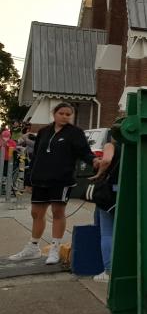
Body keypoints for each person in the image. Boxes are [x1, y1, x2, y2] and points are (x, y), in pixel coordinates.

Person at [9, 103, 98, 264]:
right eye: (61, 113)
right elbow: (35, 157)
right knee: (36, 213)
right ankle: (33, 247)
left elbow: (85, 153)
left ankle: (55, 248)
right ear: (54, 113)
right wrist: (29, 179)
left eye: (68, 114)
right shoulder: (44, 132)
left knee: (58, 212)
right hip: (40, 179)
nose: (64, 116)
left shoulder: (75, 133)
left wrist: (96, 161)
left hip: (61, 180)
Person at [88, 120, 123, 282]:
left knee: (107, 232)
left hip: (111, 193)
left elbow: (107, 160)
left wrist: (99, 173)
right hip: (130, 193)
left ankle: (108, 271)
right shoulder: (138, 146)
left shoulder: (111, 146)